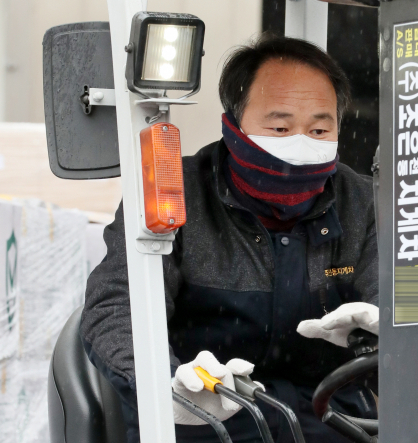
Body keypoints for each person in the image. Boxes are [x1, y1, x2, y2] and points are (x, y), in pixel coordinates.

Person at [81, 33, 379, 443]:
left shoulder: (363, 201)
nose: (300, 144)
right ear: (234, 124)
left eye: (318, 129)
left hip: (329, 417)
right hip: (205, 415)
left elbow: (409, 281)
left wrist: (397, 321)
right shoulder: (174, 191)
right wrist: (163, 388)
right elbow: (117, 305)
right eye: (280, 126)